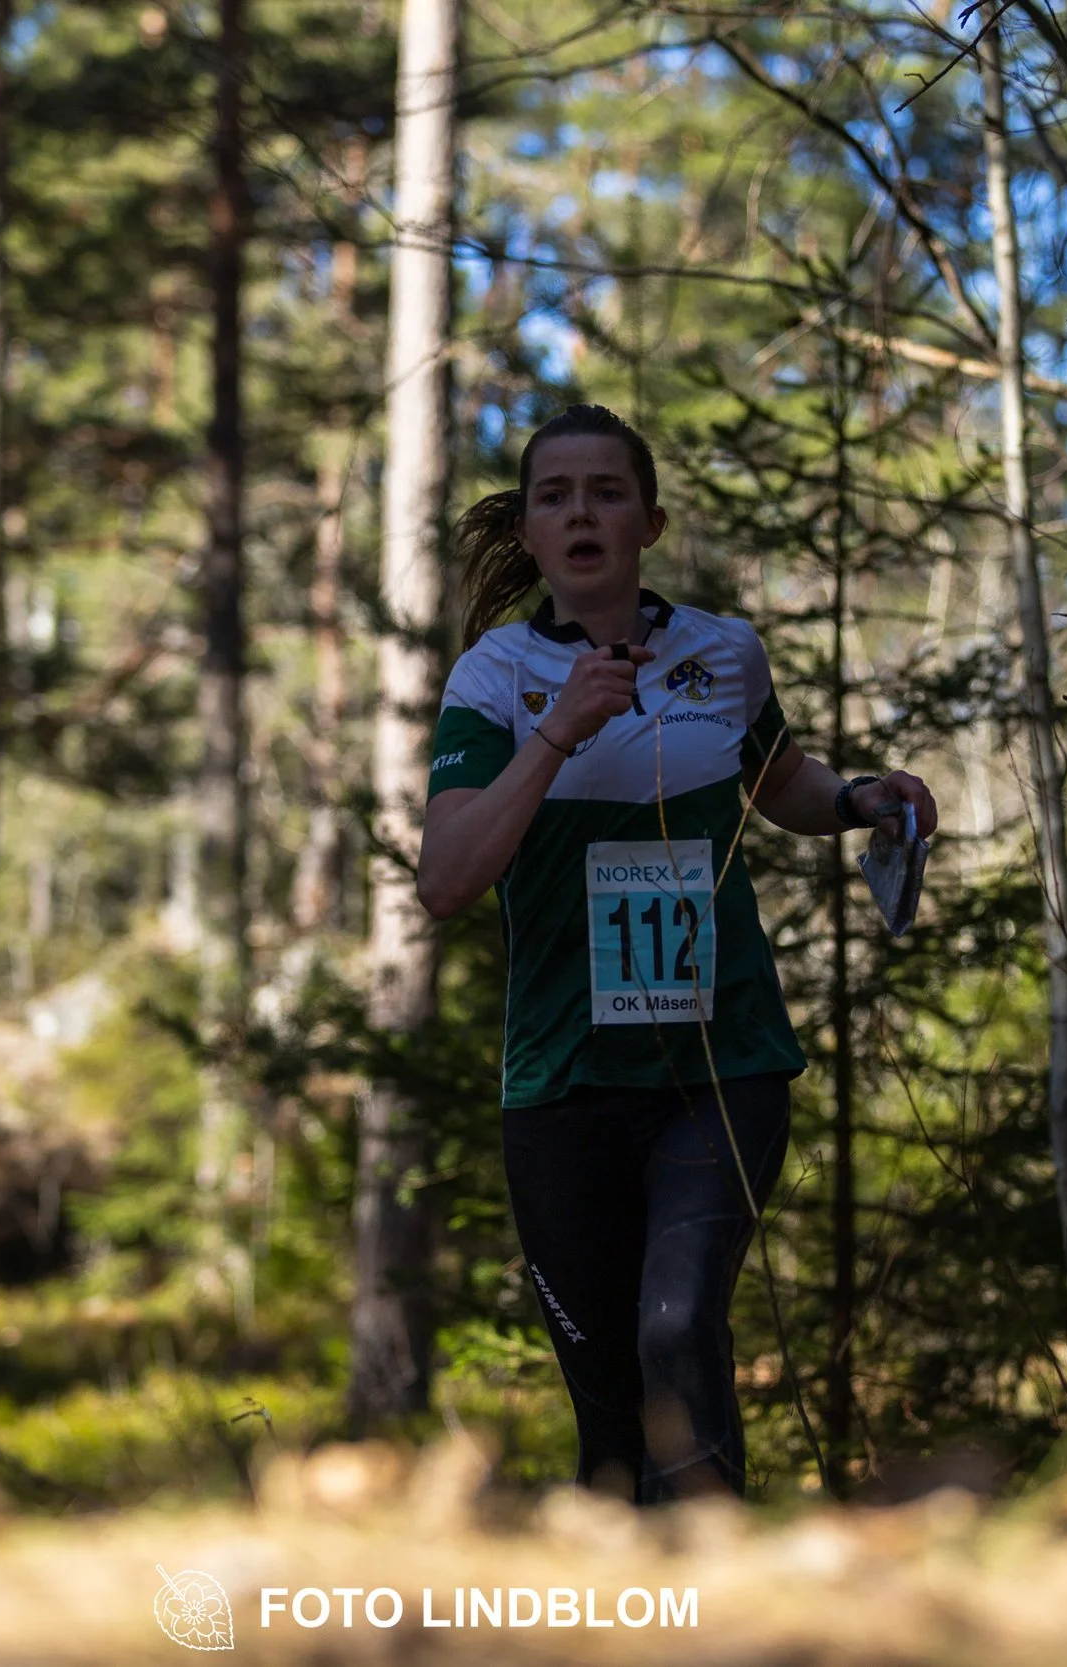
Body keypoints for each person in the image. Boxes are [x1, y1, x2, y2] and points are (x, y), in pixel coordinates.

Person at [417, 404, 937, 1503]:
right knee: (607, 1412)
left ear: (647, 520)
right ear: (531, 527)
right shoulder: (493, 680)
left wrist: (855, 798)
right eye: (554, 494)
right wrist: (558, 728)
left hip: (721, 1062)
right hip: (562, 1080)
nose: (581, 511)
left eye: (606, 490)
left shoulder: (722, 651)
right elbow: (448, 877)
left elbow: (775, 777)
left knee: (678, 1325)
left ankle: (715, 1605)